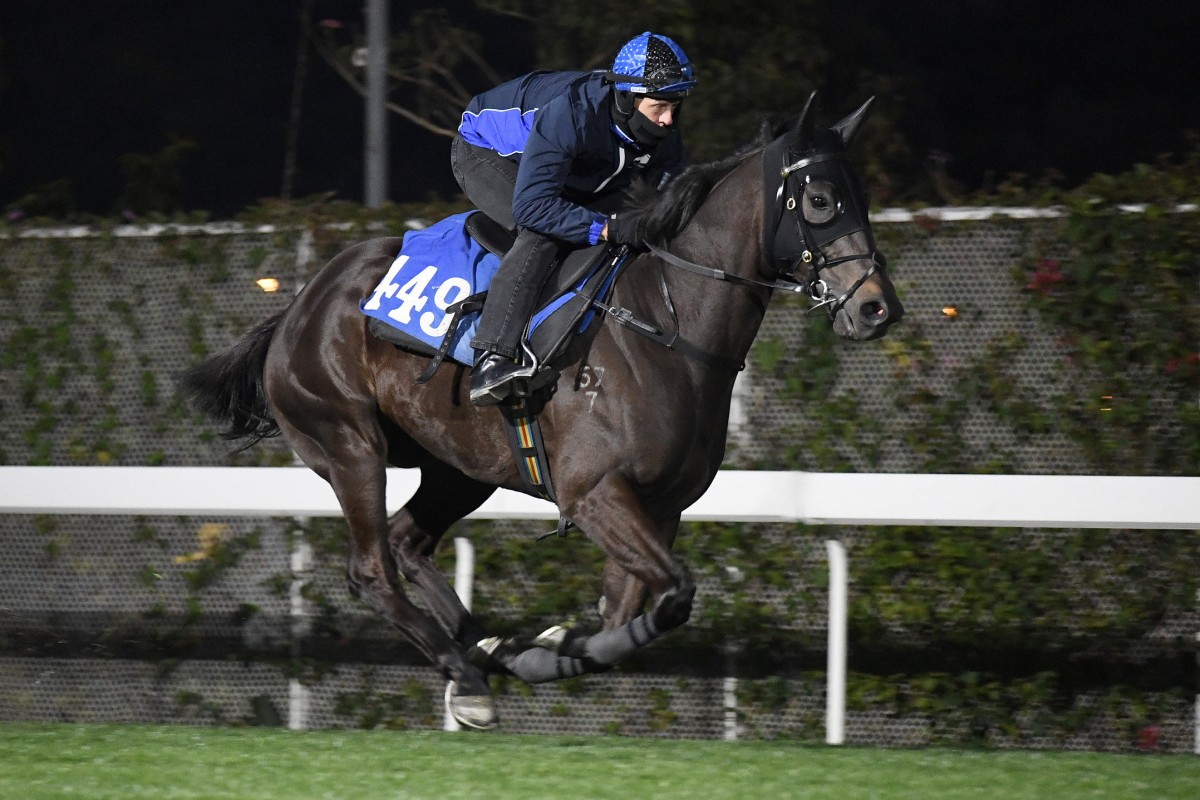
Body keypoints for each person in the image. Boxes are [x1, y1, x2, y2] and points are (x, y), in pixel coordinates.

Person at [450, 31, 697, 406]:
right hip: (485, 151)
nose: (668, 120)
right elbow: (533, 206)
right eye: (659, 107)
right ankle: (492, 357)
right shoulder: (571, 114)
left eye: (676, 107)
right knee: (543, 232)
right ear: (628, 99)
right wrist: (608, 227)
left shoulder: (666, 138)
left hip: (567, 168)